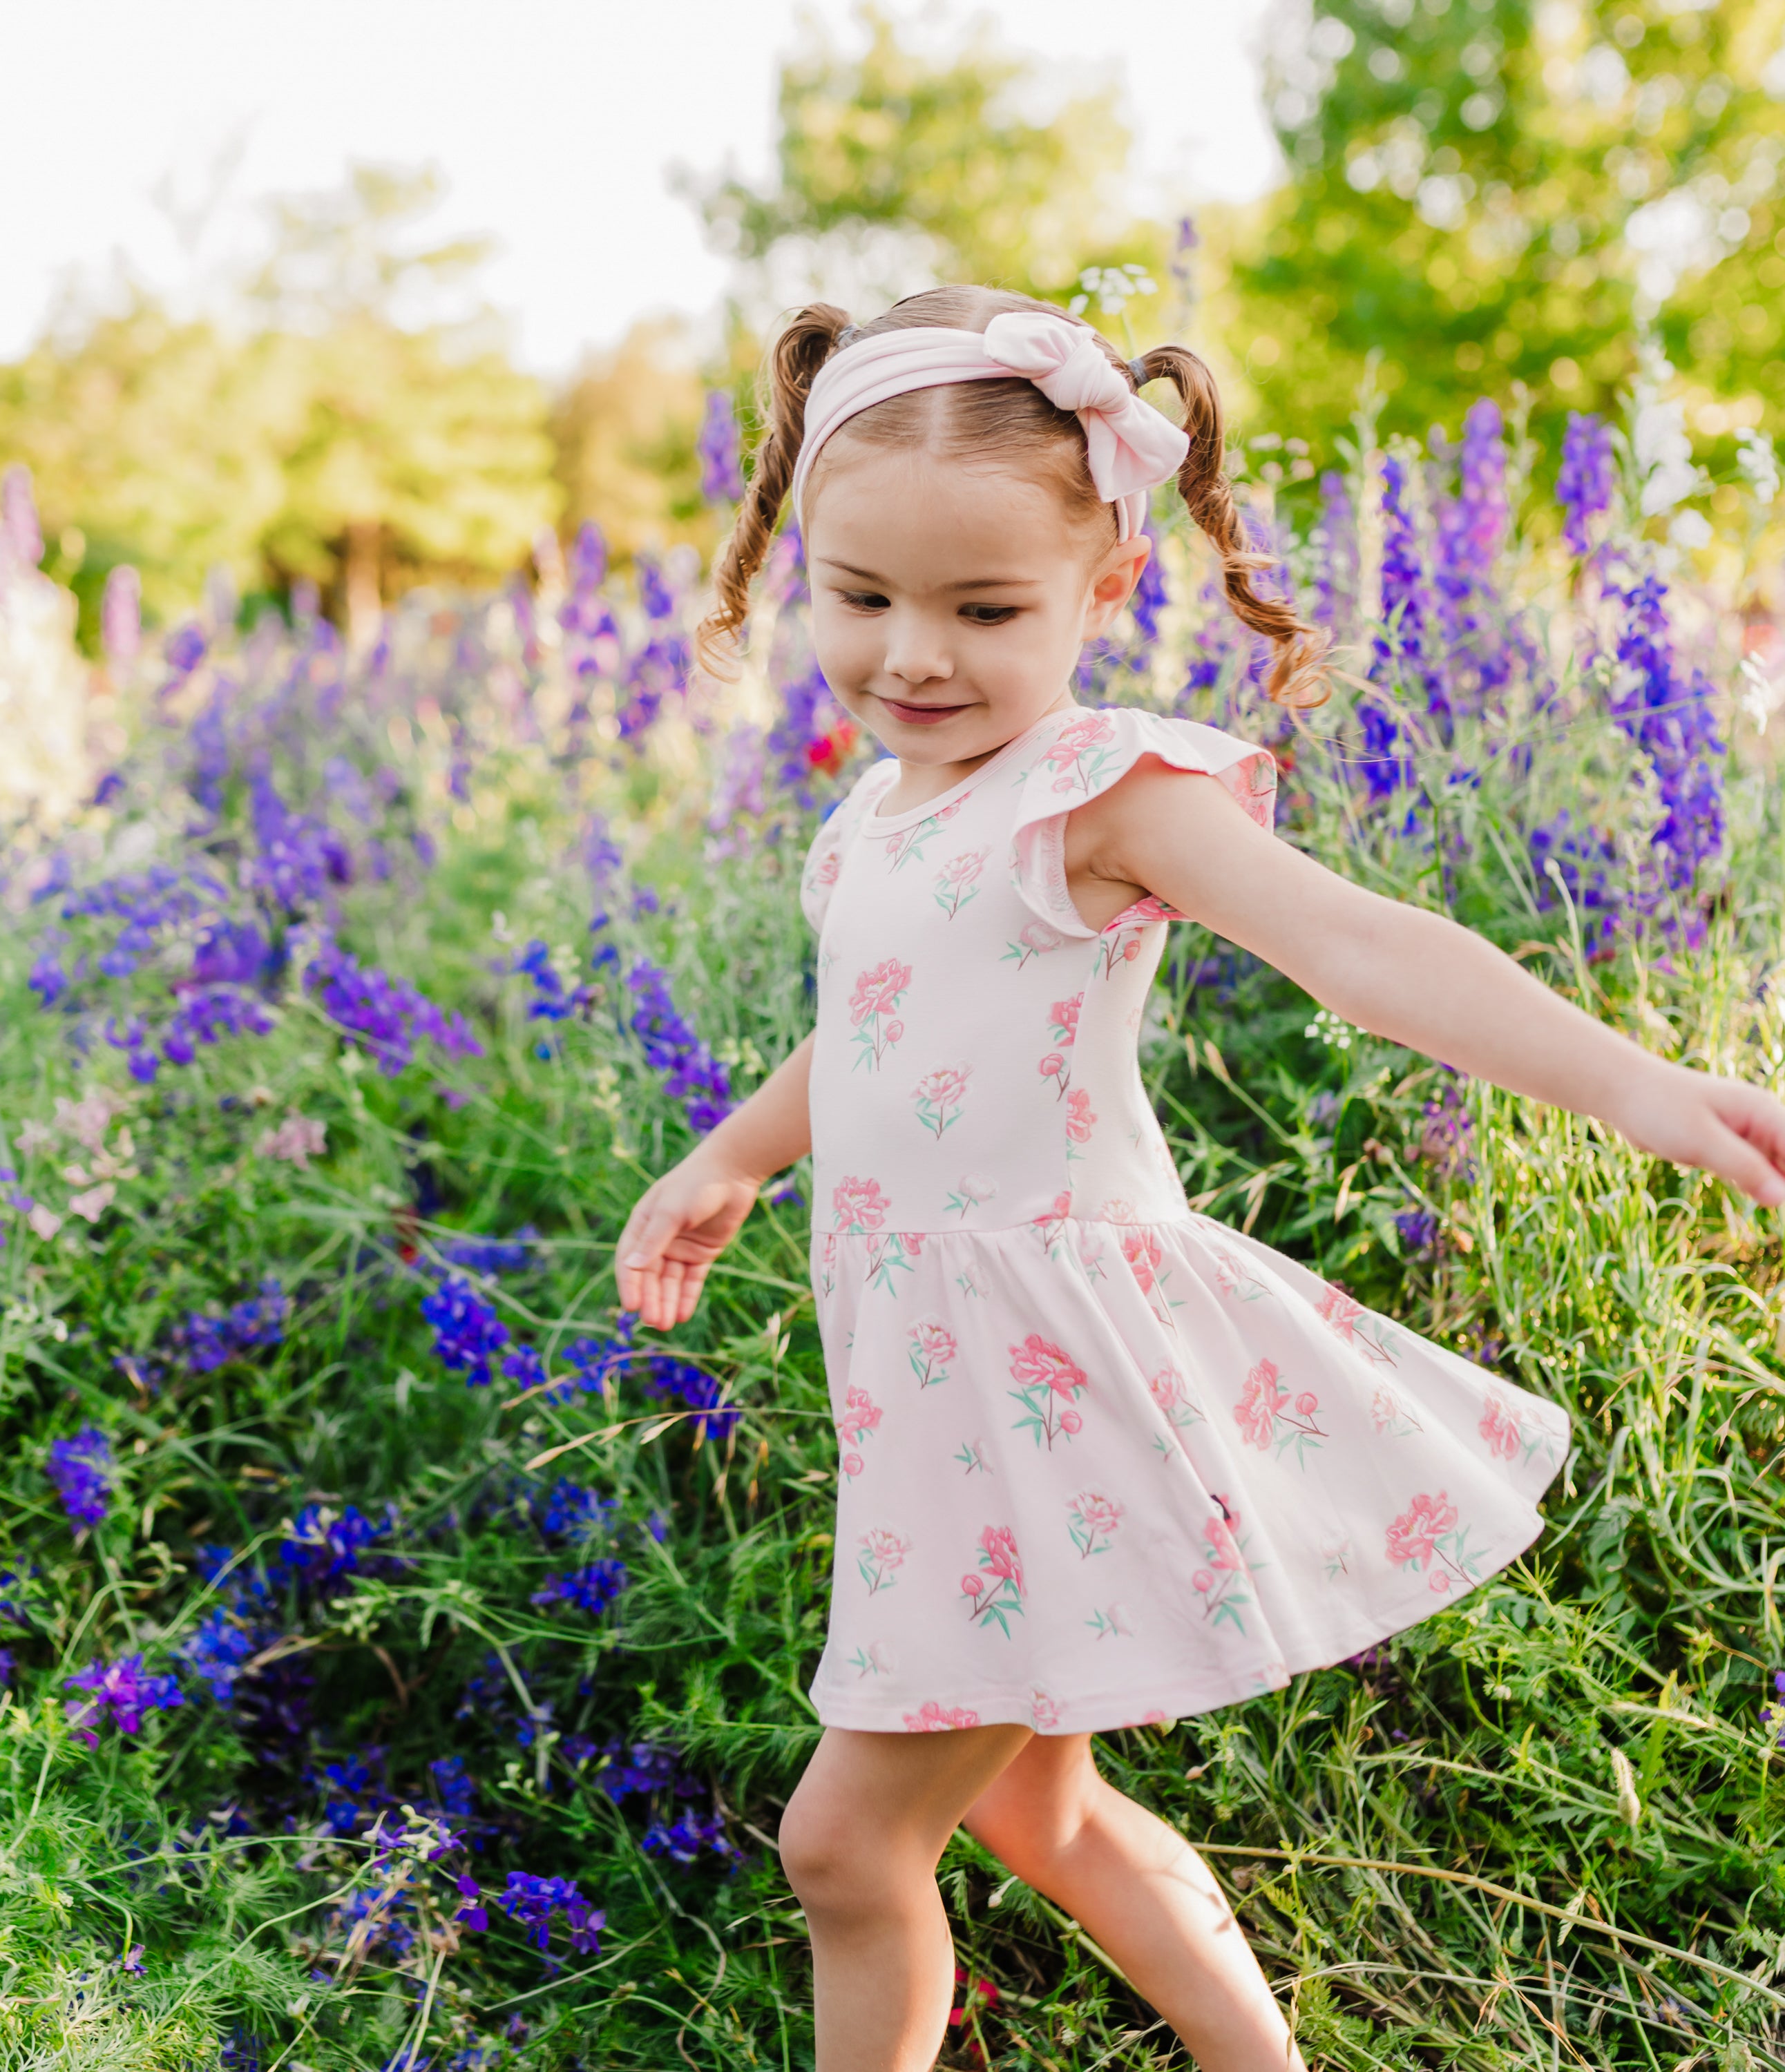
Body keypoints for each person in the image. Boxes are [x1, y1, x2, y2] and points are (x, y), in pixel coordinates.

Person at [613, 285, 1785, 2072]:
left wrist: (1637, 1088)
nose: (913, 655)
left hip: (1045, 1380)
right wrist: (732, 1156)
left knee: (845, 1846)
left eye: (983, 609)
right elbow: (870, 1029)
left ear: (1107, 588)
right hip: (931, 1395)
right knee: (1037, 1813)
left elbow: (1363, 950)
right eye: (861, 600)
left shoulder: (1101, 792)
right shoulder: (883, 814)